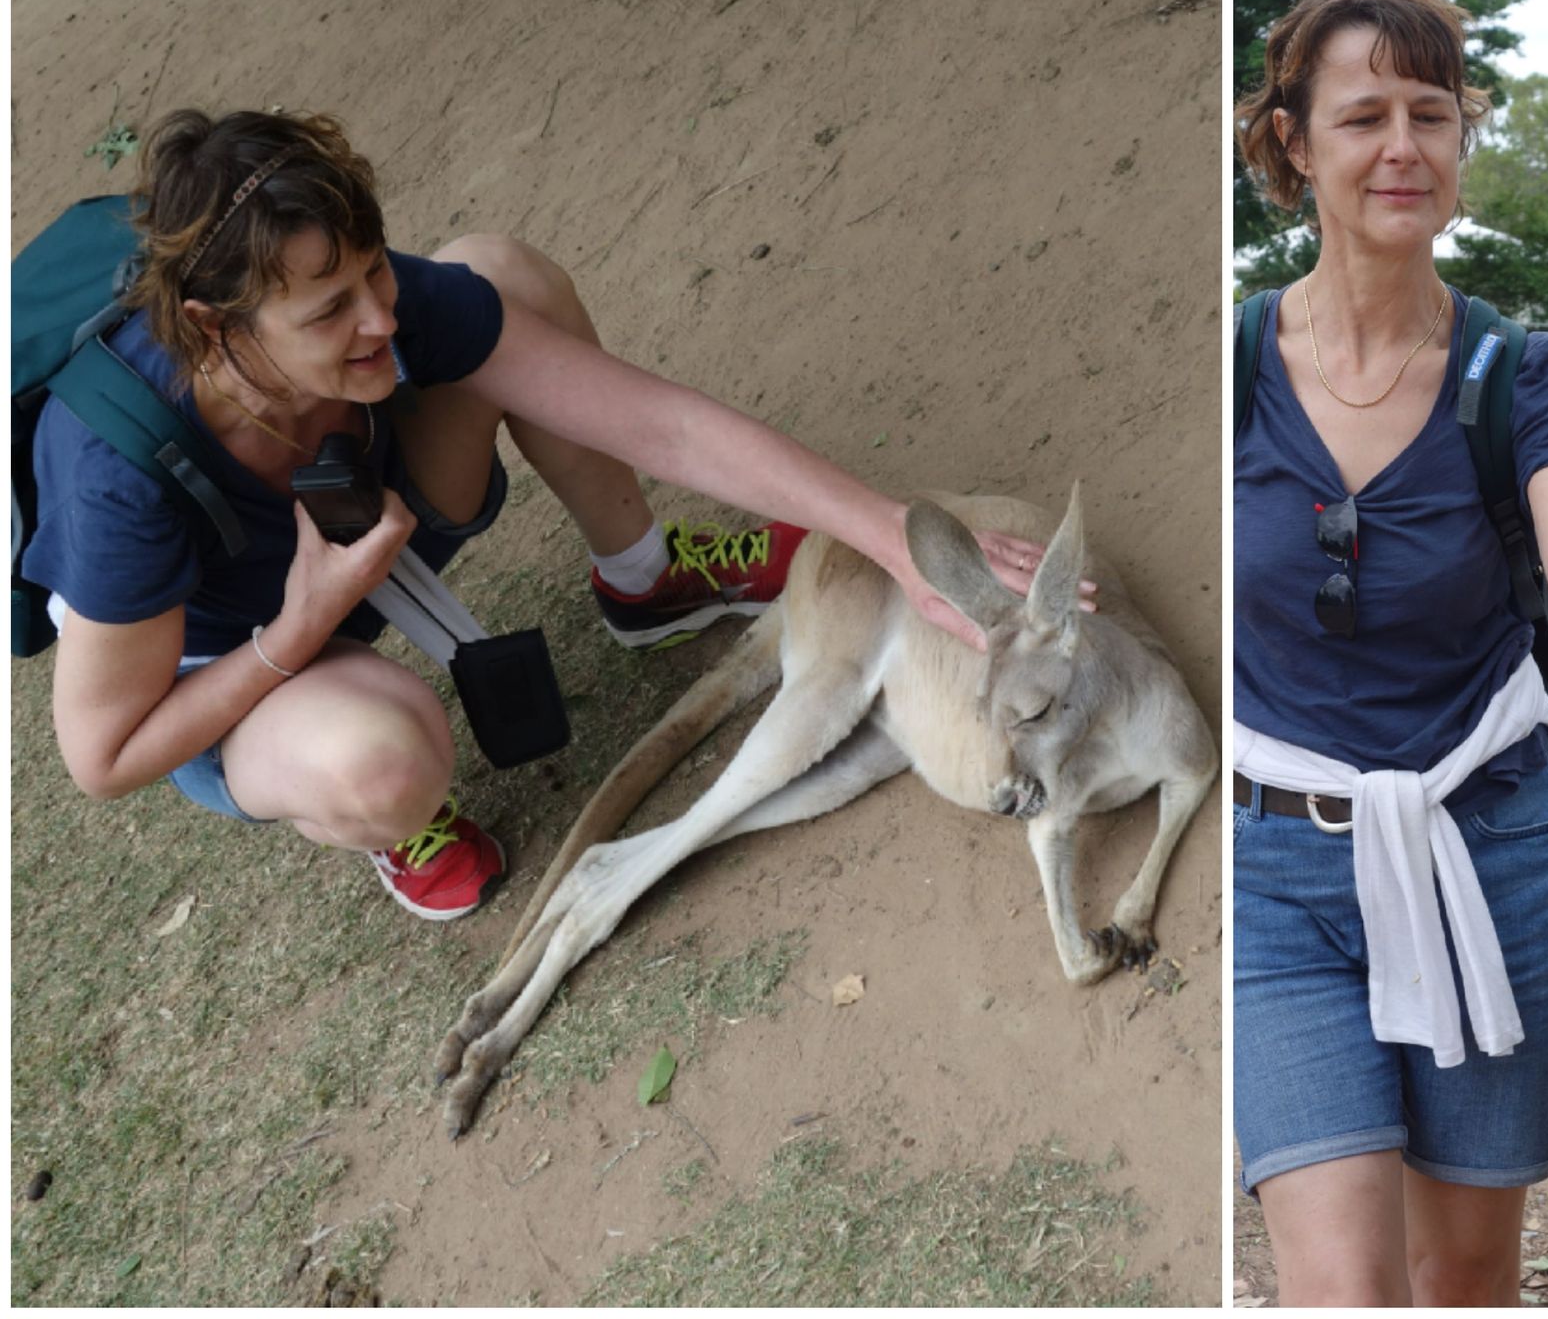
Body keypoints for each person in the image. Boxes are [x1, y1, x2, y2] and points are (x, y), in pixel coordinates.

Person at [28, 109, 1068, 922]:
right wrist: (298, 629)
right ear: (214, 328)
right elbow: (105, 755)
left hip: (363, 524)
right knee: (382, 754)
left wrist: (896, 534)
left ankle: (642, 575)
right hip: (236, 665)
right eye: (328, 308)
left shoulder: (382, 313)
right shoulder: (115, 469)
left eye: (374, 271)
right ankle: (394, 820)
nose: (380, 316)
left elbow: (656, 422)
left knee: (498, 275)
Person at [1231, 0, 1548, 1307]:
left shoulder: (1523, 373)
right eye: (1364, 115)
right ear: (1293, 144)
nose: (1403, 146)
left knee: (1461, 1276)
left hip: (1491, 856)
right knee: (1343, 1290)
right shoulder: (1227, 369)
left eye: (1432, 114)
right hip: (1277, 872)